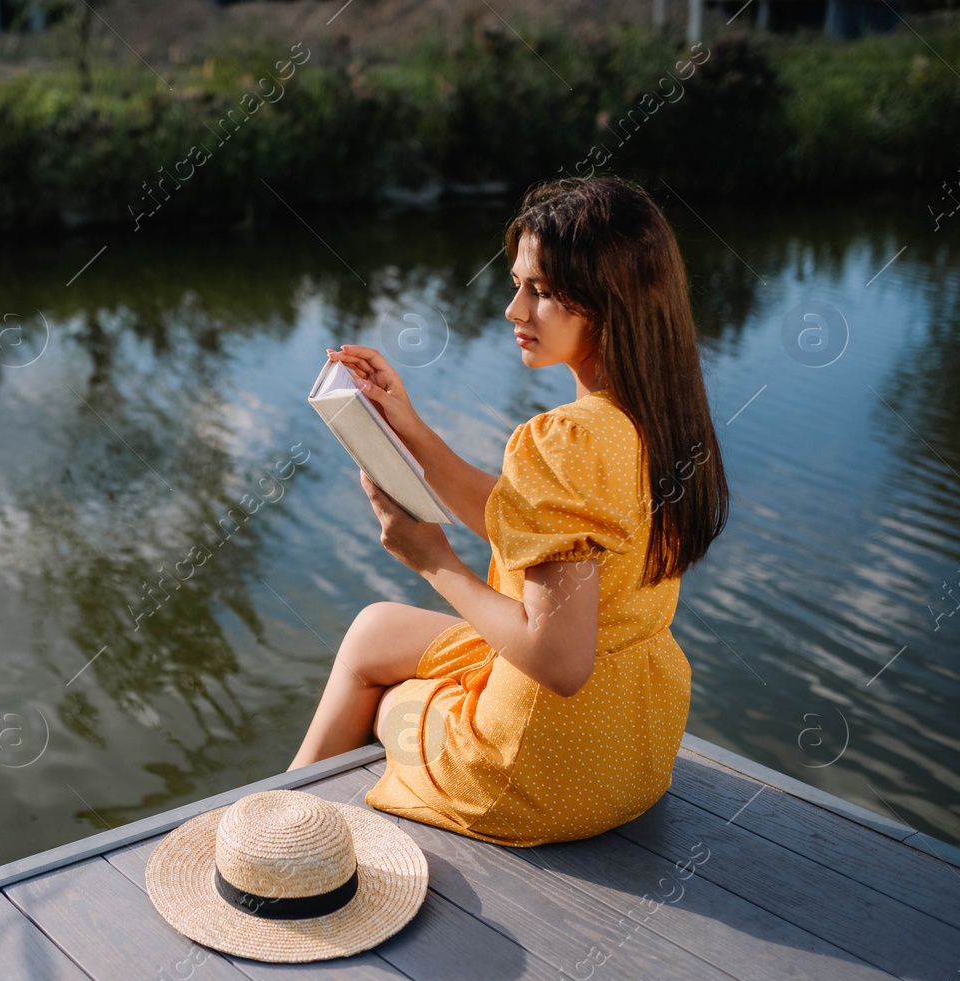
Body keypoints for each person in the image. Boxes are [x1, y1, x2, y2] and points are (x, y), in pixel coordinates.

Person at [287, 176, 729, 847]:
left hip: (537, 769)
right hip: (635, 747)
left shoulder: (565, 439)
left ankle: (281, 835)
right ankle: (275, 824)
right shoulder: (658, 419)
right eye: (519, 284)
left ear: (610, 300)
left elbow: (557, 661)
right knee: (375, 630)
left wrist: (432, 562)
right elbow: (536, 523)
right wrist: (406, 424)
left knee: (387, 699)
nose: (513, 309)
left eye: (542, 291)